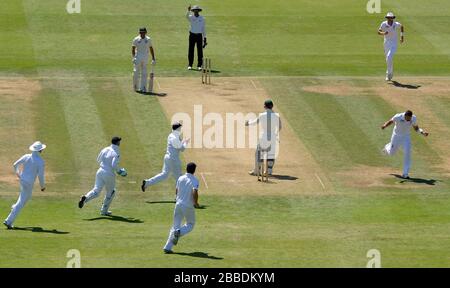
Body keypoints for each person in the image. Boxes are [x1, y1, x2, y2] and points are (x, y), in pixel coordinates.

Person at [78, 136, 127, 216]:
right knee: (111, 192)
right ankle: (104, 211)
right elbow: (114, 165)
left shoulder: (105, 149)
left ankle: (85, 198)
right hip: (109, 174)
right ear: (118, 142)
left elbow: (98, 159)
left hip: (100, 171)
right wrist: (121, 172)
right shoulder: (116, 151)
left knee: (96, 191)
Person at [3, 141, 46, 229]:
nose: (42, 150)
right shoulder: (41, 162)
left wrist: (18, 174)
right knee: (22, 201)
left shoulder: (26, 156)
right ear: (40, 150)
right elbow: (40, 175)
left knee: (26, 197)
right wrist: (42, 187)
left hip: (23, 180)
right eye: (41, 149)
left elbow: (15, 165)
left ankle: (14, 207)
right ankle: (8, 221)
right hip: (29, 183)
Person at [163, 162, 200, 254]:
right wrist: (195, 203)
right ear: (194, 170)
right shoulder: (195, 180)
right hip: (188, 206)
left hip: (178, 204)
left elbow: (177, 190)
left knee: (175, 226)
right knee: (190, 224)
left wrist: (177, 198)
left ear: (186, 169)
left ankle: (167, 247)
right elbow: (195, 191)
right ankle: (179, 232)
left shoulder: (180, 178)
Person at [141, 122, 190, 192]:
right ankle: (178, 196)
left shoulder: (171, 135)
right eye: (180, 128)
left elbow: (177, 146)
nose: (181, 129)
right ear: (178, 128)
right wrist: (185, 143)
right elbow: (182, 149)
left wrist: (182, 141)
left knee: (164, 174)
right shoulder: (175, 137)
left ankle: (147, 183)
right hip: (174, 159)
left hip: (168, 157)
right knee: (179, 178)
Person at [381, 110, 429, 179]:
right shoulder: (398, 116)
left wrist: (422, 132)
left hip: (406, 137)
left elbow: (416, 128)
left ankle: (405, 173)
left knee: (407, 153)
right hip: (396, 136)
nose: (409, 120)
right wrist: (385, 125)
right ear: (405, 116)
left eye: (410, 119)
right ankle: (387, 147)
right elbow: (391, 121)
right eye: (408, 119)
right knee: (391, 153)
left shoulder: (413, 118)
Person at [246, 99, 282, 176]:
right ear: (272, 106)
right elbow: (279, 127)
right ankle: (269, 171)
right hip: (273, 137)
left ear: (264, 106)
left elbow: (255, 122)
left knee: (258, 154)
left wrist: (248, 123)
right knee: (271, 154)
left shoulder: (262, 115)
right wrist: (275, 134)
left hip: (263, 137)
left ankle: (256, 171)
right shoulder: (277, 116)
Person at [378, 12, 404, 81]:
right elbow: (379, 31)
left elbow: (401, 27)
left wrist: (401, 37)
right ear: (387, 18)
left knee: (389, 57)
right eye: (388, 18)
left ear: (393, 18)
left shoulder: (396, 24)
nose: (390, 19)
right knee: (388, 59)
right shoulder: (383, 24)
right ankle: (390, 73)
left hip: (394, 43)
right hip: (386, 43)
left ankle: (388, 74)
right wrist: (384, 33)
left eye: (391, 18)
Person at [132, 27, 156, 92]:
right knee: (135, 72)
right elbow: (133, 48)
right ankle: (135, 86)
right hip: (138, 57)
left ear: (145, 32)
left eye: (143, 32)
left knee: (144, 73)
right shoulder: (136, 39)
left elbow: (151, 48)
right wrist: (133, 57)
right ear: (139, 33)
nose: (142, 34)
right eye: (141, 32)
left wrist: (153, 58)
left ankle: (143, 87)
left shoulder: (148, 39)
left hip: (145, 57)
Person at [186, 5, 207, 70]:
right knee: (191, 50)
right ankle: (190, 65)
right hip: (192, 35)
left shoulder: (202, 18)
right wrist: (188, 10)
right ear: (193, 11)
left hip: (199, 36)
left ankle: (199, 65)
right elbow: (186, 16)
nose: (195, 11)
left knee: (200, 51)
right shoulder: (191, 17)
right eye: (194, 10)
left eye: (197, 10)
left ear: (198, 11)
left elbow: (203, 29)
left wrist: (205, 38)